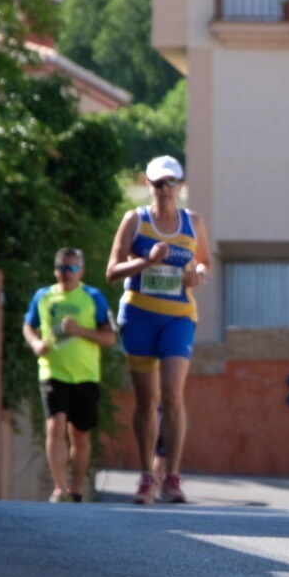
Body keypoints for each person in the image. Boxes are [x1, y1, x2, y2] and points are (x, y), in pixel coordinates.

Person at [107, 155, 210, 505]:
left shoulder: (192, 222)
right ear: (148, 185)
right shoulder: (135, 220)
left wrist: (199, 274)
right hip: (138, 316)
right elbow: (112, 270)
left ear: (180, 186)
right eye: (157, 183)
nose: (164, 189)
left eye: (170, 183)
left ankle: (173, 478)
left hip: (178, 318)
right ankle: (146, 476)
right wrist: (146, 262)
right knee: (146, 400)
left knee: (171, 395)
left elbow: (205, 261)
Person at [21, 248, 118, 502]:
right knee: (55, 425)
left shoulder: (93, 297)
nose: (67, 273)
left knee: (81, 436)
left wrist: (79, 331)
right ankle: (59, 487)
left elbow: (110, 337)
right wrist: (35, 344)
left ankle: (76, 489)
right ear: (55, 270)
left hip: (85, 375)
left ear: (81, 271)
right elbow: (28, 326)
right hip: (53, 371)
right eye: (63, 268)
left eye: (73, 268)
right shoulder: (43, 297)